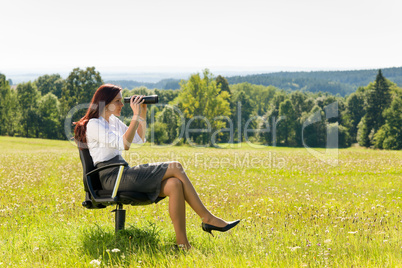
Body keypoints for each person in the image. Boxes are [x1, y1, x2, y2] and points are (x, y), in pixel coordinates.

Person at [74, 84, 240, 249]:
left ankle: (183, 244)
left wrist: (142, 114)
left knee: (174, 184)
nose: (122, 105)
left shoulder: (113, 122)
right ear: (105, 102)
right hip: (111, 177)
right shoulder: (94, 124)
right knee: (176, 166)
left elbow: (138, 138)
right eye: (118, 101)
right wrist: (135, 115)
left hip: (122, 172)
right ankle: (207, 218)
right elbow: (124, 144)